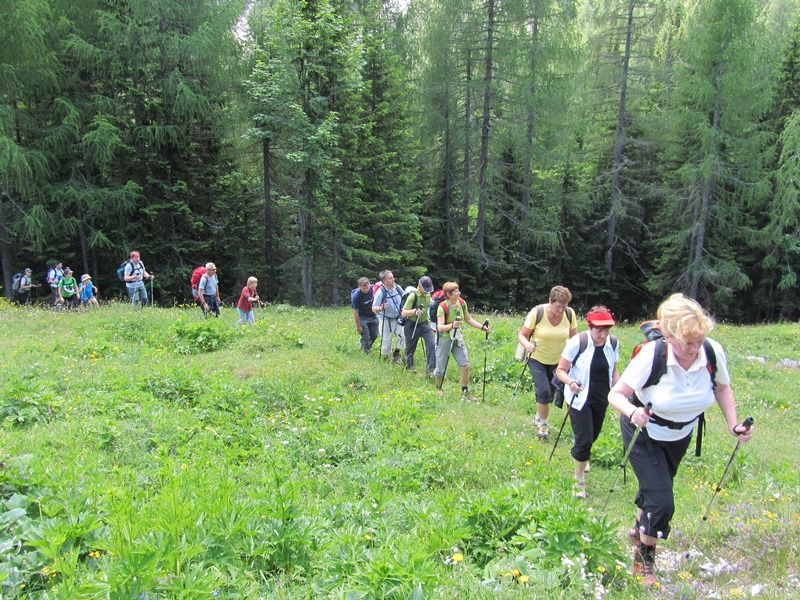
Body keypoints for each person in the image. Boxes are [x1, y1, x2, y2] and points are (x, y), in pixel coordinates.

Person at [607, 293, 754, 586]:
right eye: (688, 343)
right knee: (662, 501)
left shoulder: (712, 351)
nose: (694, 348)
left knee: (654, 490)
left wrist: (733, 424)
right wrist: (633, 411)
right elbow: (616, 394)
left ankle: (639, 529)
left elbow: (722, 389)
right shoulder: (652, 354)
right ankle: (644, 562)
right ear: (670, 335)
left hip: (680, 434)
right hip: (644, 431)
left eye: (698, 340)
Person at [555, 306, 619, 498]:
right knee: (584, 440)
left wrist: (621, 391)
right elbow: (561, 370)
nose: (603, 333)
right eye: (599, 329)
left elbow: (614, 370)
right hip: (579, 397)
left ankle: (582, 455)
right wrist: (571, 382)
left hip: (601, 397)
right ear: (590, 327)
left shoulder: (613, 343)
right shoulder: (578, 342)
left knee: (593, 436)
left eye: (607, 329)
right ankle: (579, 479)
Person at [517, 285, 578, 439]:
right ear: (550, 301)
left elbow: (574, 339)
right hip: (537, 357)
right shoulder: (537, 312)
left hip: (559, 361)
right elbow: (522, 334)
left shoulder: (569, 314)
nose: (561, 310)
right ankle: (543, 425)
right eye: (558, 306)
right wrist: (527, 345)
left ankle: (539, 416)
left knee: (550, 392)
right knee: (543, 391)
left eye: (564, 306)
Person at [433, 281, 490, 400]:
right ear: (449, 294)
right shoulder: (442, 307)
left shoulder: (462, 303)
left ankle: (465, 391)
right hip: (444, 339)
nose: (459, 293)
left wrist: (482, 327)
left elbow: (468, 319)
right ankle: (439, 388)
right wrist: (452, 325)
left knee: (465, 364)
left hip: (457, 338)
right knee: (440, 368)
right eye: (456, 291)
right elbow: (439, 327)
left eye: (458, 290)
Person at [401, 276, 436, 375]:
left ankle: (431, 370)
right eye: (425, 289)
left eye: (428, 290)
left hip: (424, 323)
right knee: (410, 347)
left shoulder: (428, 294)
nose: (426, 292)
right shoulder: (413, 296)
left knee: (432, 344)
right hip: (411, 324)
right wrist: (415, 312)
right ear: (419, 286)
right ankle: (409, 365)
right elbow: (403, 313)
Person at [372, 270, 404, 362]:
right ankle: (386, 359)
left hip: (398, 318)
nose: (393, 279)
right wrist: (381, 307)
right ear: (384, 281)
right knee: (386, 341)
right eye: (390, 278)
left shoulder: (398, 288)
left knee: (403, 336)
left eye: (393, 277)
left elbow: (405, 298)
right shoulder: (380, 292)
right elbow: (373, 308)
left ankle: (396, 354)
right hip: (385, 319)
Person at [351, 277, 378, 353]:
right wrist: (358, 326)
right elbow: (355, 312)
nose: (366, 290)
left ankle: (364, 345)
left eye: (367, 288)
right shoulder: (356, 296)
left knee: (374, 335)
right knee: (365, 335)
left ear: (369, 284)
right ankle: (366, 352)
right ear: (359, 287)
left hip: (372, 316)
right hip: (362, 317)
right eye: (363, 289)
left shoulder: (373, 289)